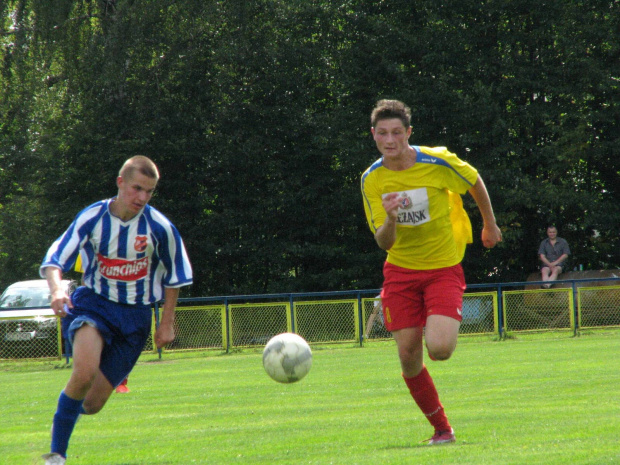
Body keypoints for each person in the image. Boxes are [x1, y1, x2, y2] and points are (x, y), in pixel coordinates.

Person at [361, 100, 502, 445]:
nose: (389, 139)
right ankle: (442, 430)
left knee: (439, 349)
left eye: (397, 132)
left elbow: (473, 181)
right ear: (373, 135)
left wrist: (489, 224)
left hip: (442, 269)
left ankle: (435, 318)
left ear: (409, 133)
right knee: (409, 357)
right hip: (400, 272)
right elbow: (383, 241)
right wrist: (392, 217)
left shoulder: (436, 161)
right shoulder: (371, 179)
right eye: (383, 133)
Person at [40, 155, 193, 465]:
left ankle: (66, 406)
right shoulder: (93, 217)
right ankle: (56, 455)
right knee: (83, 373)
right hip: (93, 306)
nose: (142, 197)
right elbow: (55, 258)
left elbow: (175, 275)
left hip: (135, 318)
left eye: (149, 191)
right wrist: (57, 289)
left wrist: (166, 323)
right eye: (137, 188)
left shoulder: (159, 227)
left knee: (93, 403)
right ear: (120, 182)